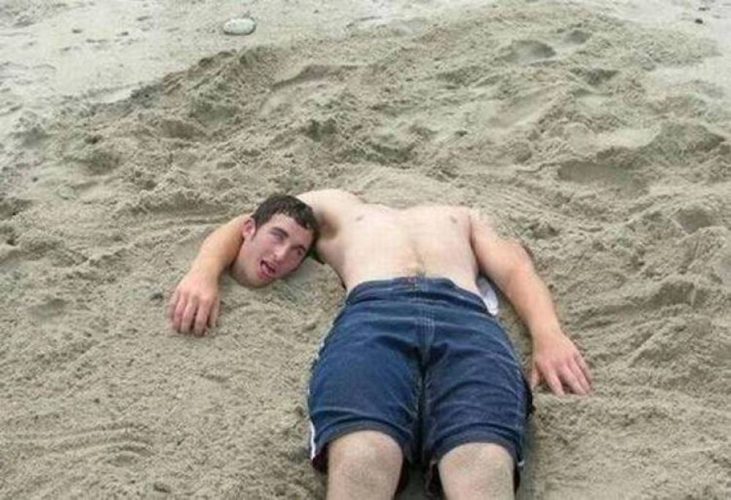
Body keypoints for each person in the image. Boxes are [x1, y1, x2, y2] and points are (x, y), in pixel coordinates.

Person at [169, 189, 592, 499]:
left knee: (482, 460)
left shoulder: (461, 215)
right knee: (364, 453)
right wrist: (203, 272)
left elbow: (514, 269)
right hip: (374, 313)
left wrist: (548, 334)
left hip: (465, 317)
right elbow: (251, 221)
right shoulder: (338, 206)